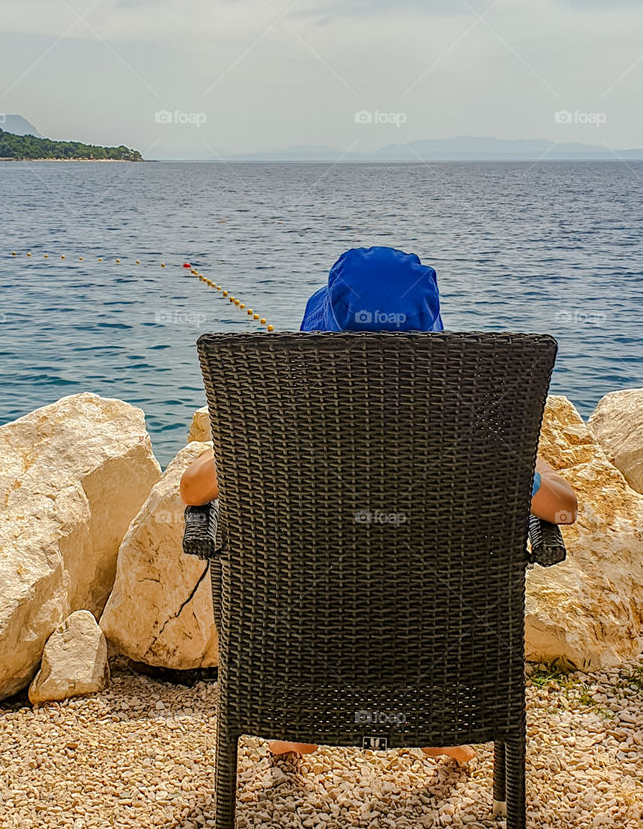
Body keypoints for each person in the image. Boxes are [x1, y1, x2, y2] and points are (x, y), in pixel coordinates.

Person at [181, 246, 578, 765]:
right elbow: (561, 506)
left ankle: (300, 726)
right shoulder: (463, 427)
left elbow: (192, 492)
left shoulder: (282, 426)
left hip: (314, 633)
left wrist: (252, 432)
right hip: (433, 642)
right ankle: (436, 728)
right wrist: (524, 468)